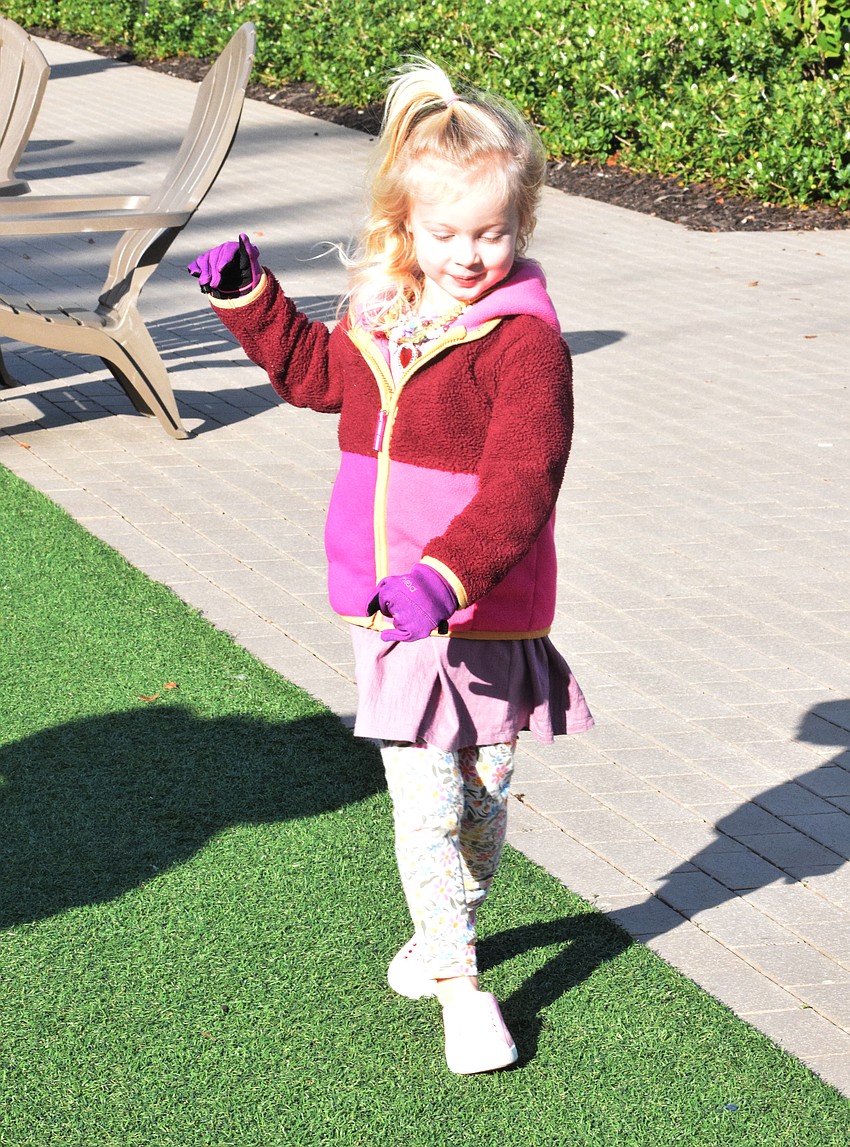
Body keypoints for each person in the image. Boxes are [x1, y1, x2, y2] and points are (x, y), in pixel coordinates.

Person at [188, 57, 593, 1076]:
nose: (469, 254)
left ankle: (434, 937)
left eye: (492, 233)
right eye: (446, 233)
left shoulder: (525, 345)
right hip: (391, 617)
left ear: (523, 222)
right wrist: (253, 301)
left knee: (484, 803)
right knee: (426, 802)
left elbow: (521, 485)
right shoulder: (384, 311)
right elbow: (318, 378)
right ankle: (464, 993)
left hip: (486, 611)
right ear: (404, 225)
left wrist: (446, 577)